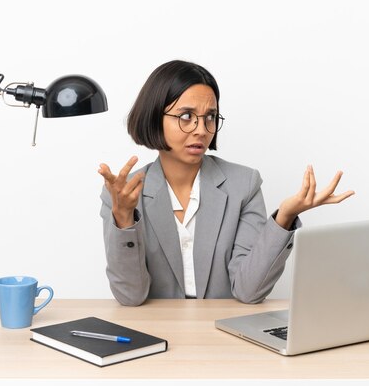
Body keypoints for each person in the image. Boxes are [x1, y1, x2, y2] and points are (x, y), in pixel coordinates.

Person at [98, 60, 354, 306]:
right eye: (186, 116)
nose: (201, 129)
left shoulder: (244, 184)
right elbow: (130, 296)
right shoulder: (121, 194)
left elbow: (248, 291)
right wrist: (123, 218)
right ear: (155, 117)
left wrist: (284, 218)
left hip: (223, 331)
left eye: (210, 117)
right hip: (156, 331)